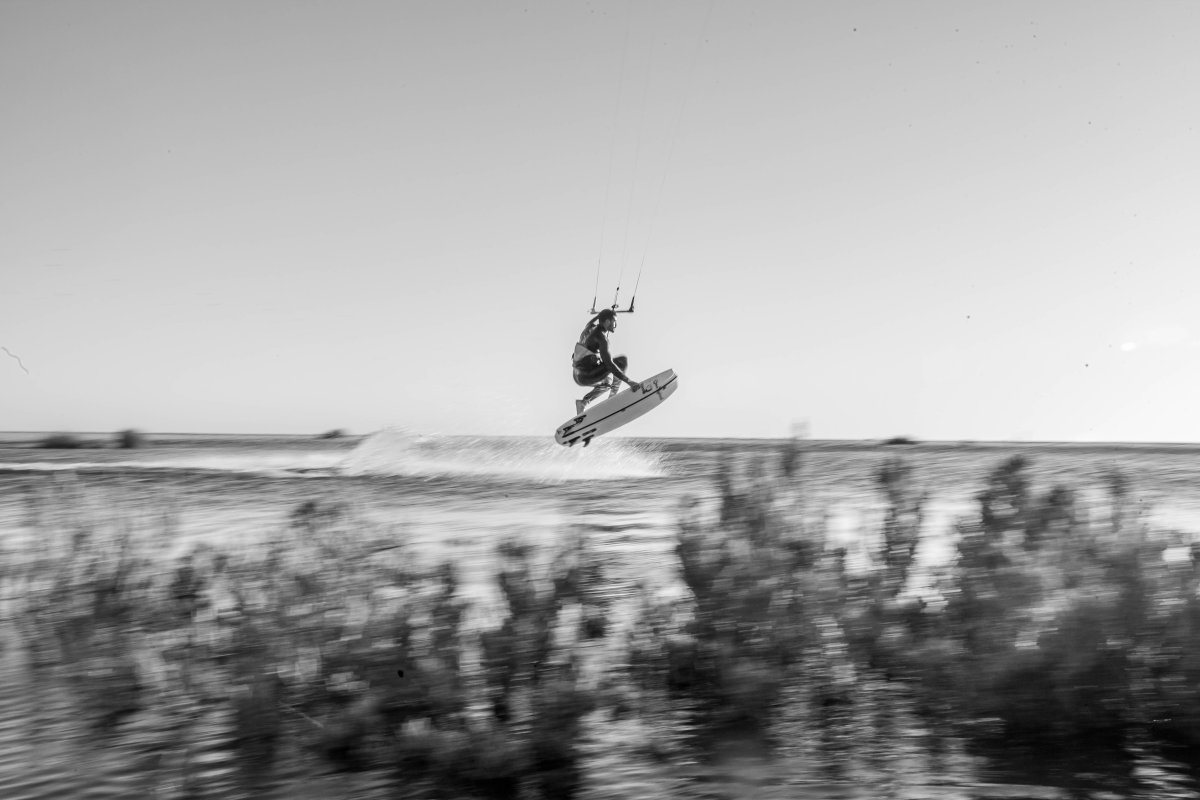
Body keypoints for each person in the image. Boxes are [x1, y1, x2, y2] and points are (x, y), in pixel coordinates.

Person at [572, 308, 642, 414]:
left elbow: (592, 321)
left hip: (578, 375)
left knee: (607, 382)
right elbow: (609, 364)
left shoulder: (589, 328)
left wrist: (601, 315)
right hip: (585, 375)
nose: (616, 325)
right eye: (615, 322)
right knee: (621, 361)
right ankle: (612, 399)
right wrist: (629, 381)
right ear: (608, 321)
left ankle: (583, 402)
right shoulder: (601, 338)